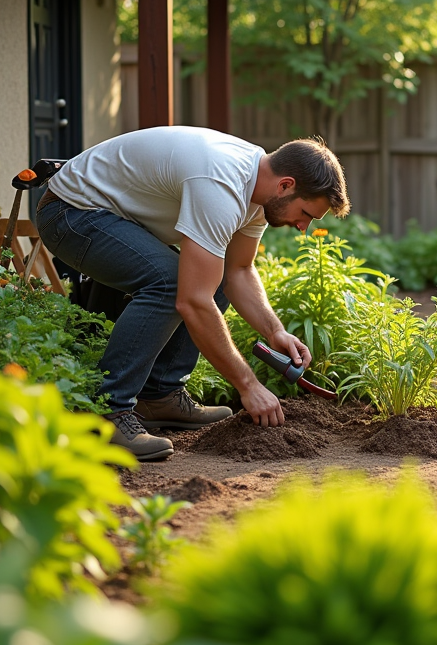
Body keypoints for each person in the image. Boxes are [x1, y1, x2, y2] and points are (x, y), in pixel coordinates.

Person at [35, 126, 349, 462]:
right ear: (286, 185)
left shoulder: (259, 192)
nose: (304, 227)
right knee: (171, 284)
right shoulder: (221, 182)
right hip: (71, 212)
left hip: (114, 217)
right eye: (306, 215)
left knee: (209, 277)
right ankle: (106, 413)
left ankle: (160, 395)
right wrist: (249, 385)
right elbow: (193, 301)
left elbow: (238, 271)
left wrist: (276, 331)